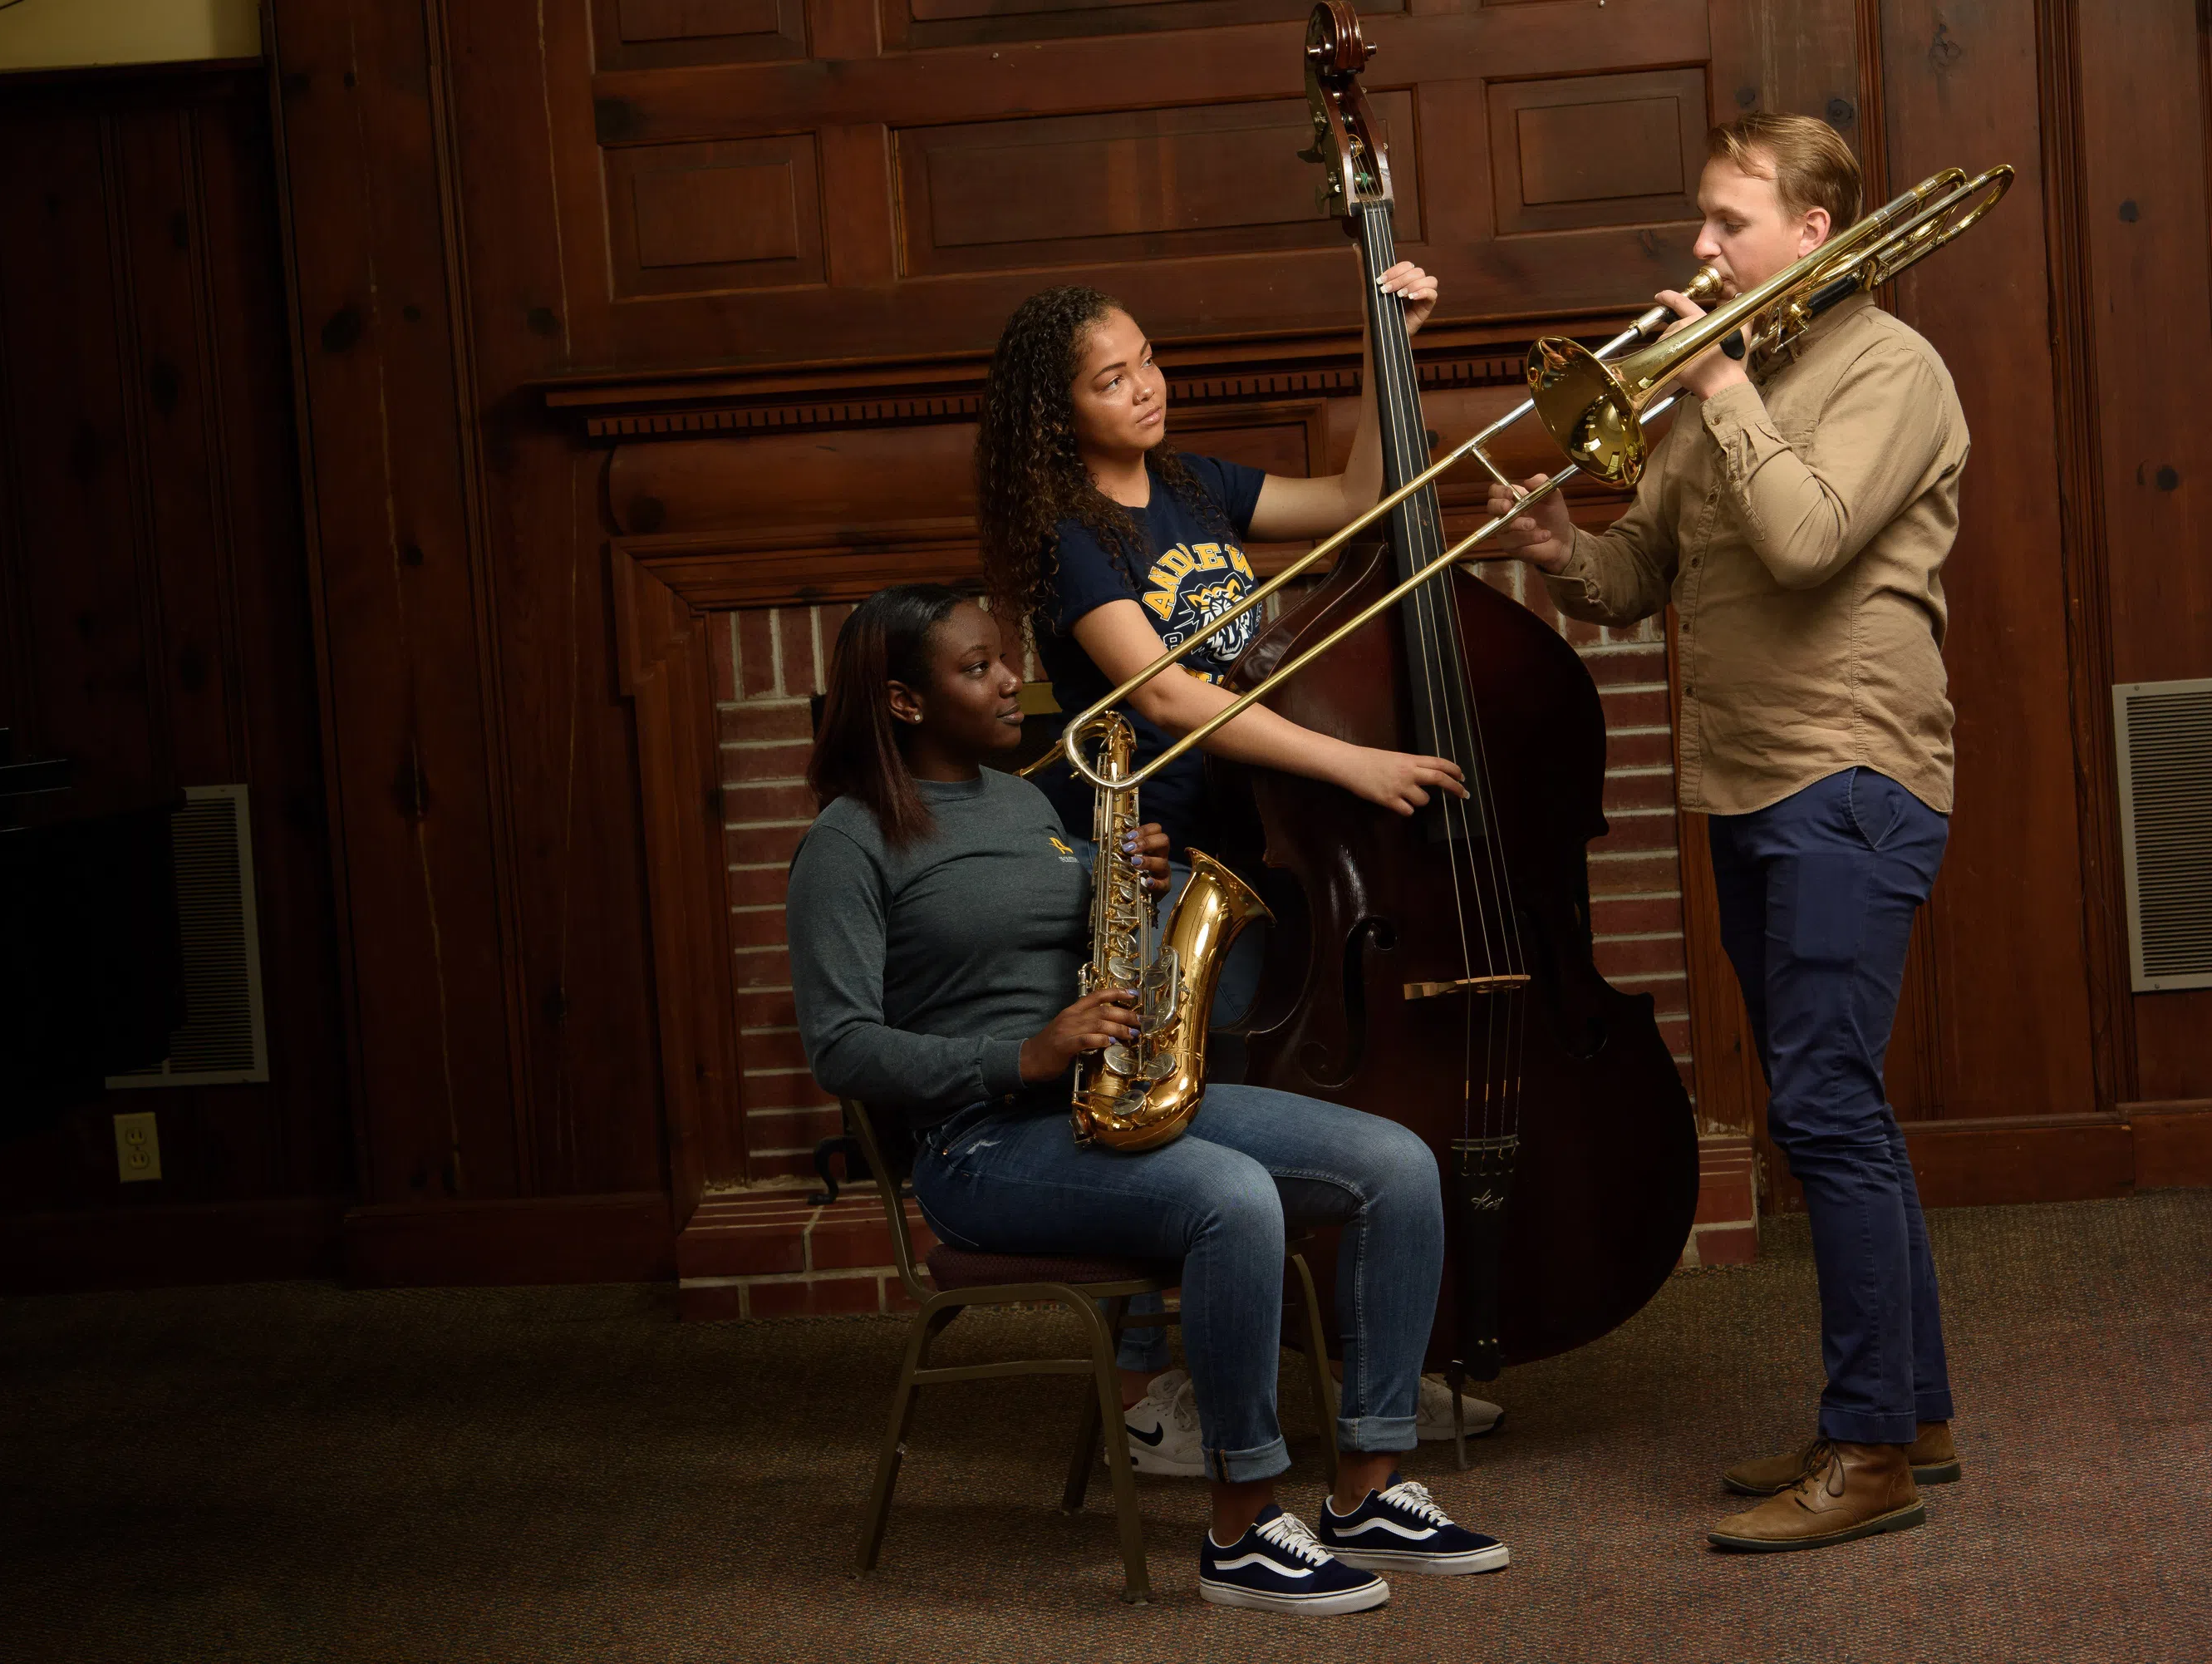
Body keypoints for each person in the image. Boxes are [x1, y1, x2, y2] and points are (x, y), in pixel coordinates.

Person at [787, 584, 1507, 1613]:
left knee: (1394, 1163)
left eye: (1005, 659)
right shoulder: (848, 844)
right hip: (983, 1145)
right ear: (904, 702)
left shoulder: (1022, 801)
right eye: (979, 666)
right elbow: (843, 1048)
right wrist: (1022, 1056)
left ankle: (1370, 1486)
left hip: (1111, 1099)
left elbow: (1094, 929)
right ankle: (1243, 1523)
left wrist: (1142, 877)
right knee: (1232, 1197)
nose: (1010, 681)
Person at [1488, 112, 1967, 1553]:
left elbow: (1811, 536)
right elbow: (1645, 573)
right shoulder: (1724, 384)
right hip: (1749, 782)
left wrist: (1717, 386)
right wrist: (1559, 546)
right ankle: (1911, 1409)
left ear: (1813, 235)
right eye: (1700, 222)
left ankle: (1872, 1447)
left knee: (1825, 1106)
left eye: (1725, 222)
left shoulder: (1894, 369)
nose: (1699, 249)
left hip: (1850, 776)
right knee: (1832, 1104)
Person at [974, 278, 1506, 1460]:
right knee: (1161, 1123)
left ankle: (1325, 1365)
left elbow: (1361, 499)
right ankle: (1149, 1394)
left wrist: (1384, 351)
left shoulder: (1195, 485)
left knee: (1258, 1112)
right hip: (1149, 866)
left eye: (1149, 359)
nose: (1146, 385)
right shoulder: (1067, 535)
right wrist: (1355, 763)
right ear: (1058, 414)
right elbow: (1166, 692)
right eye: (1112, 379)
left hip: (1244, 853)